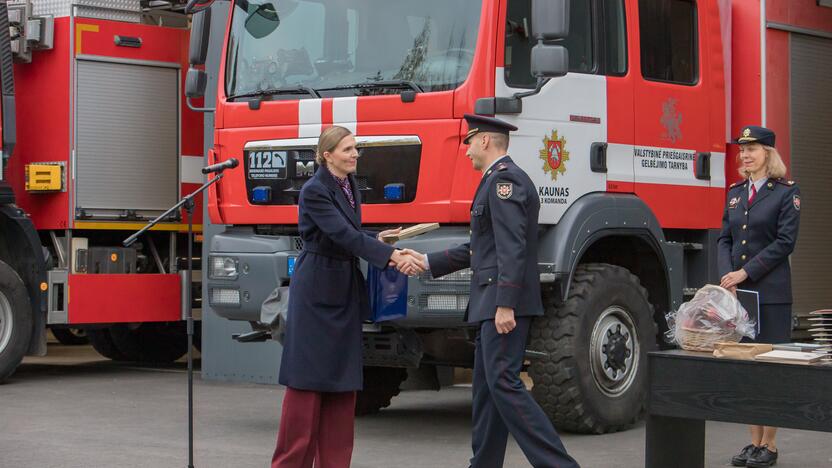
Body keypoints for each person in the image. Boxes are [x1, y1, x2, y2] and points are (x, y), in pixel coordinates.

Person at [401, 114, 579, 468]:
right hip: (490, 303)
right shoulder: (494, 182)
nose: (466, 150)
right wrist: (426, 260)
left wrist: (505, 305)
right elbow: (479, 249)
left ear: (484, 140)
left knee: (505, 386)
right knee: (487, 392)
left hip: (500, 305)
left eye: (469, 141)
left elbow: (512, 248)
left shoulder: (505, 182)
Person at [271, 126, 421, 468]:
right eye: (348, 149)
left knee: (342, 383)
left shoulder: (349, 184)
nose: (355, 154)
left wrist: (378, 238)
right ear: (327, 155)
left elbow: (349, 233)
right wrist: (392, 257)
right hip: (317, 289)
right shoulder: (314, 190)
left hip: (342, 286)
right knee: (307, 383)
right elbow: (339, 233)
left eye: (356, 148)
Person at [718, 125, 801, 468]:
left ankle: (770, 445)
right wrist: (727, 278)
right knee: (746, 371)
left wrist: (745, 272)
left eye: (752, 149)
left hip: (772, 295)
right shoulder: (736, 193)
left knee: (770, 370)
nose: (745, 155)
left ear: (768, 153)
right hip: (740, 296)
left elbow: (785, 243)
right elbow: (725, 238)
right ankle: (752, 443)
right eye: (742, 150)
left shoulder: (786, 193)